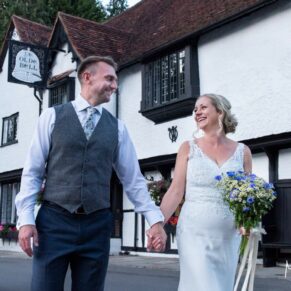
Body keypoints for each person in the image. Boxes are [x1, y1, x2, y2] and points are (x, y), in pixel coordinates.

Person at [15, 55, 167, 291]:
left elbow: (133, 180)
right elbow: (32, 172)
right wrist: (25, 220)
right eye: (109, 78)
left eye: (116, 80)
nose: (115, 86)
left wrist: (154, 220)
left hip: (97, 225)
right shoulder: (52, 116)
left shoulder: (117, 128)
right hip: (54, 222)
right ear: (87, 77)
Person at [153, 94, 252, 291]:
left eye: (203, 107)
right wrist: (157, 224)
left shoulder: (243, 151)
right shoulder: (188, 148)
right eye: (195, 109)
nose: (197, 112)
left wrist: (248, 222)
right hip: (193, 232)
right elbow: (175, 191)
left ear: (220, 112)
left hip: (228, 235)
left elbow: (247, 195)